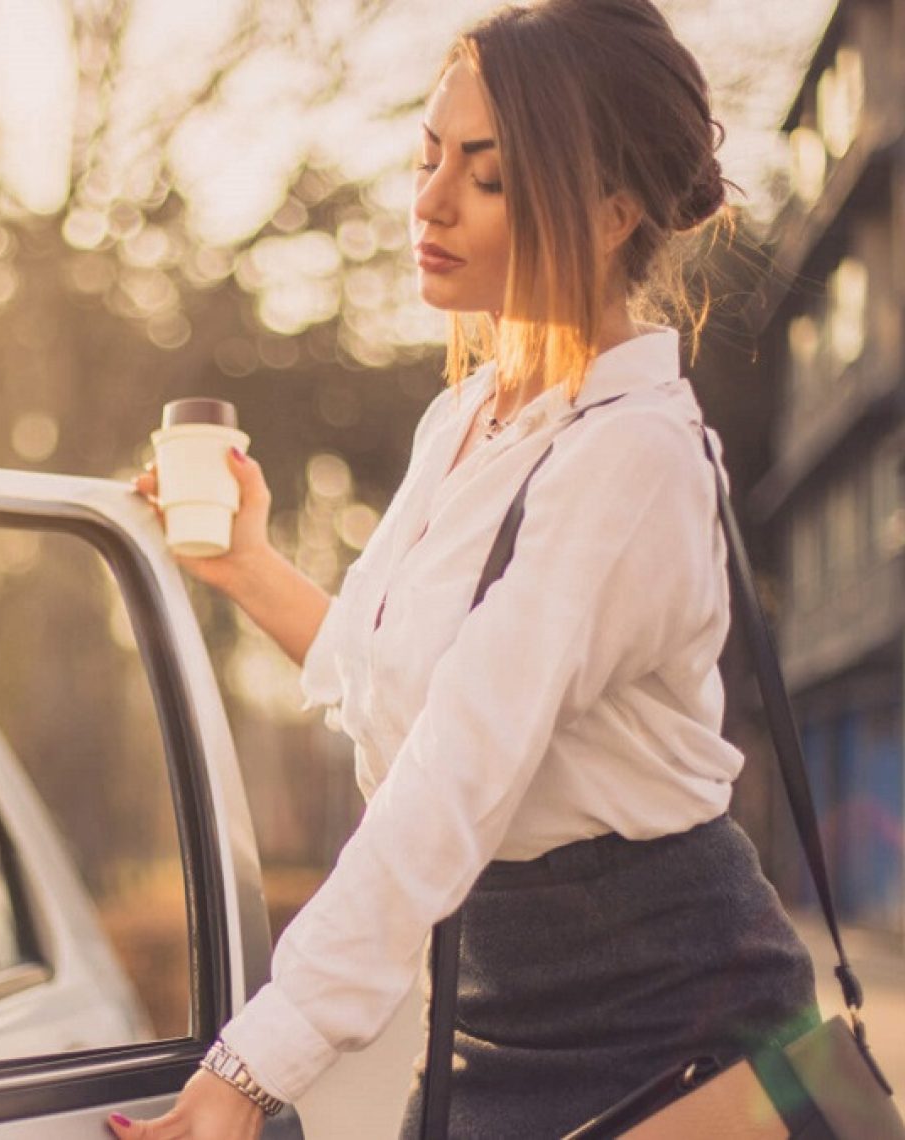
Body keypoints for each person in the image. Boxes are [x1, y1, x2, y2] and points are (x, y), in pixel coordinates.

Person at [107, 0, 822, 1137]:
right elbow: (398, 689)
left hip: (679, 1030)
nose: (431, 201)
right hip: (493, 1006)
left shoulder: (631, 456)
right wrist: (247, 566)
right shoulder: (467, 420)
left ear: (610, 214)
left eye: (486, 176)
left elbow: (452, 776)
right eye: (428, 155)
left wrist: (253, 1064)